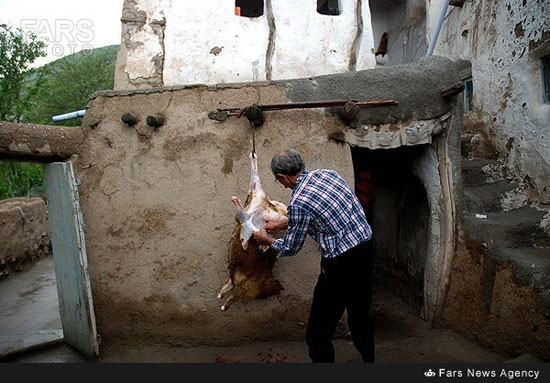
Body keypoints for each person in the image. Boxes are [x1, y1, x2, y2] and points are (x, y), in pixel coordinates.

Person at [253, 148, 375, 363]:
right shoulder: (328, 174)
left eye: (278, 181)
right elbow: (326, 211)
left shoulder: (299, 202)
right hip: (365, 251)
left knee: (318, 333)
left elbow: (291, 247)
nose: (281, 184)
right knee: (360, 315)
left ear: (282, 177)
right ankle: (370, 362)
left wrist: (267, 241)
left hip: (340, 266)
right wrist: (285, 221)